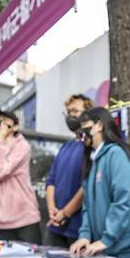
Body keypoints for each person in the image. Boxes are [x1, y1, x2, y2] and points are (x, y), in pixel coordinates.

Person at [69, 107, 130, 258]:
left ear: (99, 126)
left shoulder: (116, 154)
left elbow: (122, 199)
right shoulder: (92, 161)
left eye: (85, 126)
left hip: (127, 249)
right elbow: (86, 205)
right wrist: (84, 236)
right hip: (106, 249)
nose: (81, 133)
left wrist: (106, 239)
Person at [0, 108, 41, 244]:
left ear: (15, 126)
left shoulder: (22, 146)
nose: (1, 124)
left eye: (5, 121)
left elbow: (0, 173)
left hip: (24, 218)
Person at [43, 94, 94, 247]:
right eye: (68, 112)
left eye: (75, 111)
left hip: (79, 230)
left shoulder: (91, 147)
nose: (70, 115)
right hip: (55, 226)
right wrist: (52, 210)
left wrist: (65, 213)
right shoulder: (66, 146)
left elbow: (86, 186)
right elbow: (51, 181)